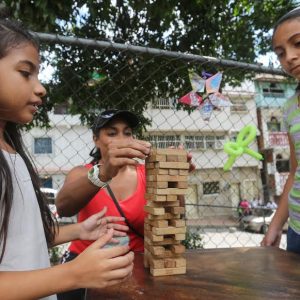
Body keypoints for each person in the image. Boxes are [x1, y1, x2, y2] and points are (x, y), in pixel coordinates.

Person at [0, 19, 134, 300]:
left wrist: (78, 229)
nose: (41, 89)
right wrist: (73, 274)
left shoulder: (13, 152)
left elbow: (21, 238)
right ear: (96, 139)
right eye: (26, 73)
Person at [55, 110, 195, 270]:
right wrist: (103, 172)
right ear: (96, 140)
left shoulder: (148, 174)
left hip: (137, 264)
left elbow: (174, 220)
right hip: (86, 264)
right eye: (112, 133)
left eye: (127, 133)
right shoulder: (82, 173)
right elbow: (63, 208)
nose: (122, 139)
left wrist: (172, 180)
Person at [261, 7, 300, 254]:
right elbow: (296, 170)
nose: (290, 57)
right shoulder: (290, 108)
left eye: (298, 43)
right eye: (280, 53)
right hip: (297, 230)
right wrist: (276, 225)